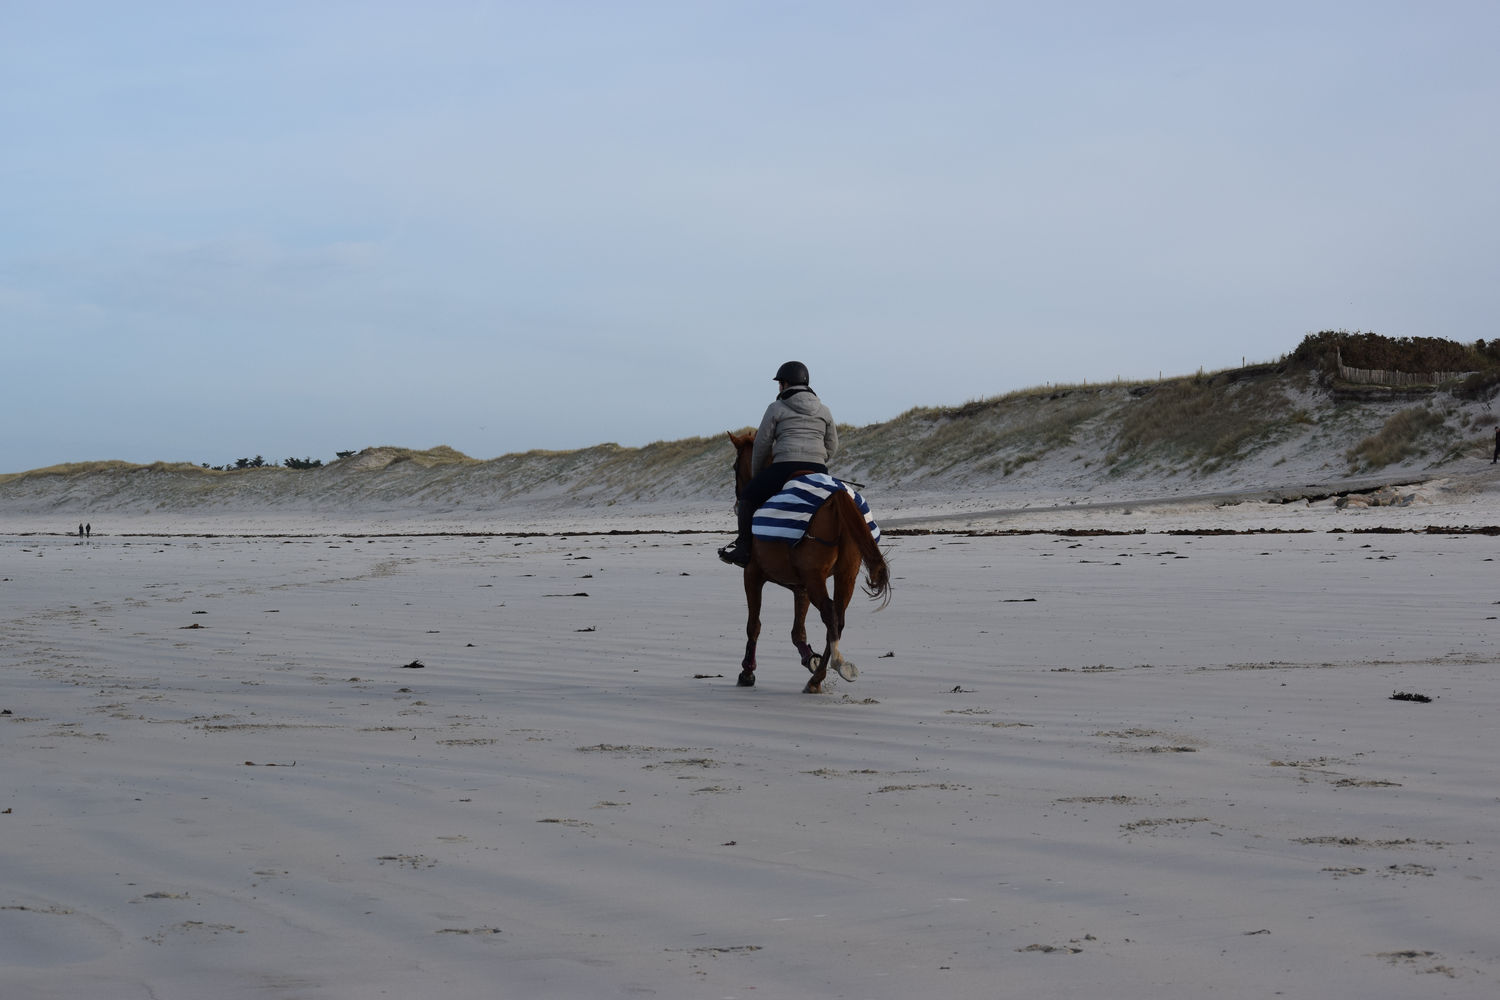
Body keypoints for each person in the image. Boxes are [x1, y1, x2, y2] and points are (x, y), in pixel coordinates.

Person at [719, 361, 839, 567]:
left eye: (779, 383)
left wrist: (757, 475)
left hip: (785, 467)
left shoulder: (776, 407)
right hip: (818, 469)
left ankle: (743, 548)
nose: (779, 387)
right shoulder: (825, 410)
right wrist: (819, 459)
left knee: (747, 497)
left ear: (785, 384)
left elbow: (762, 444)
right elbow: (833, 445)